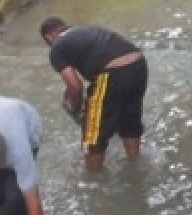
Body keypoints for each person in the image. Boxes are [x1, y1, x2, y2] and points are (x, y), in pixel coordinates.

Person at [39, 17, 148, 171]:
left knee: (92, 138)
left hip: (112, 73)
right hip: (139, 65)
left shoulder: (56, 47)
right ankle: (135, 168)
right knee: (129, 123)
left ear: (49, 36)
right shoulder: (87, 29)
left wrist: (72, 104)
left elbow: (75, 86)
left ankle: (92, 180)